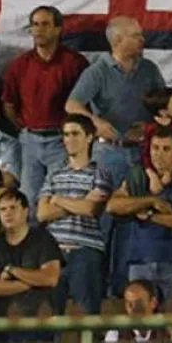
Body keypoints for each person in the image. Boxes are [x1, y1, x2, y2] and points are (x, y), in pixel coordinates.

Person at [106, 125, 172, 311]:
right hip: (139, 262)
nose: (159, 154)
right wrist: (151, 200)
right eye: (155, 148)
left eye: (166, 149)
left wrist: (150, 216)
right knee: (140, 327)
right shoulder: (138, 177)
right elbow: (113, 205)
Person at [2, 6, 89, 205]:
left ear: (58, 29)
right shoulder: (19, 65)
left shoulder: (74, 63)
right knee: (28, 198)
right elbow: (9, 104)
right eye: (35, 25)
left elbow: (85, 105)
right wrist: (24, 128)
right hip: (29, 141)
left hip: (62, 140)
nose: (39, 29)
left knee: (61, 197)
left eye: (45, 24)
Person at [65, 15, 165, 182]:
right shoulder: (97, 71)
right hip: (109, 151)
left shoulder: (149, 69)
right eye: (135, 35)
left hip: (145, 150)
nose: (142, 39)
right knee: (104, 201)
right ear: (117, 40)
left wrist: (151, 126)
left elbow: (163, 103)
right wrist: (95, 122)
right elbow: (72, 105)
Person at [37, 113, 112, 314]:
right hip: (53, 251)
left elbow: (90, 209)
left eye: (75, 134)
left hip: (85, 250)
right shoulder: (54, 173)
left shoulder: (99, 173)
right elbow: (42, 213)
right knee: (49, 315)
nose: (69, 139)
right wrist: (78, 202)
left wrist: (58, 200)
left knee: (88, 314)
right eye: (66, 134)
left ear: (89, 137)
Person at [0, 189, 64, 318]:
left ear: (26, 211)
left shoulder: (43, 238)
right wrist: (30, 282)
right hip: (4, 323)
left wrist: (12, 271)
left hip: (39, 321)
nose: (8, 213)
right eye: (3, 209)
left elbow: (50, 278)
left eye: (13, 208)